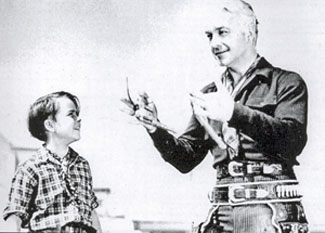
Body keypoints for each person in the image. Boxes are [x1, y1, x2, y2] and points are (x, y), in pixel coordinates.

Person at [121, 0, 309, 232]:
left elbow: (293, 141)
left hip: (269, 211)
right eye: (209, 35)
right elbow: (185, 159)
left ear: (248, 32)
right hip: (220, 213)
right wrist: (154, 128)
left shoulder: (286, 83)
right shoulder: (209, 94)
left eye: (222, 33)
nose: (214, 43)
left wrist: (233, 113)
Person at [3, 91, 102, 233]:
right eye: (71, 114)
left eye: (77, 115)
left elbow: (91, 212)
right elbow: (15, 215)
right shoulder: (30, 167)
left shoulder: (82, 166)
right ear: (50, 125)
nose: (78, 120)